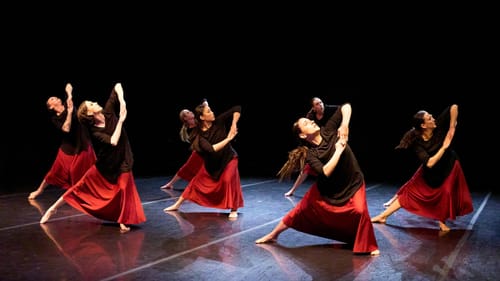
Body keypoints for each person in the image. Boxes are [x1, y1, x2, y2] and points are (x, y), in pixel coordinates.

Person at [256, 103, 380, 256]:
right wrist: (338, 151)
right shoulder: (311, 154)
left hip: (352, 181)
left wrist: (344, 124)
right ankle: (273, 235)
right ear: (302, 135)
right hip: (326, 189)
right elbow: (325, 172)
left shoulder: (328, 130)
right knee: (299, 212)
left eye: (310, 120)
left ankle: (365, 242)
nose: (312, 121)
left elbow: (345, 106)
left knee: (360, 210)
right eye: (306, 123)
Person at [40, 83, 146, 233]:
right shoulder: (95, 132)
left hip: (123, 160)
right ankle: (52, 209)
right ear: (90, 114)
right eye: (92, 104)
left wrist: (122, 101)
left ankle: (122, 220)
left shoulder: (108, 111)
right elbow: (114, 141)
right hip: (104, 165)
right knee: (79, 187)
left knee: (124, 188)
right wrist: (121, 120)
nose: (96, 103)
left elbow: (117, 86)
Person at [371, 104, 473, 232]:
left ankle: (441, 222)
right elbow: (429, 163)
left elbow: (454, 107)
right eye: (429, 118)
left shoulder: (438, 125)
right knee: (410, 193)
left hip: (449, 165)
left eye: (431, 117)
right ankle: (383, 216)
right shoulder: (417, 142)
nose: (433, 119)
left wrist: (452, 127)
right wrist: (444, 147)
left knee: (446, 192)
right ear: (424, 126)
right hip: (431, 168)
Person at [164, 102, 244, 219]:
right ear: (202, 117)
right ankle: (177, 205)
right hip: (211, 163)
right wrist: (229, 138)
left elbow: (237, 107)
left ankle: (234, 209)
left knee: (228, 180)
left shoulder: (219, 121)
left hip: (229, 158)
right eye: (209, 111)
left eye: (211, 110)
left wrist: (233, 124)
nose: (212, 113)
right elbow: (211, 150)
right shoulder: (198, 135)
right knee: (196, 182)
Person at [29, 83, 96, 200]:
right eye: (52, 99)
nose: (55, 97)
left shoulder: (67, 103)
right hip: (68, 149)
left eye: (54, 96)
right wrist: (69, 113)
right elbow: (66, 128)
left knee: (89, 170)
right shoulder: (55, 119)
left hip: (82, 144)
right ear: (51, 107)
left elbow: (69, 86)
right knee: (54, 172)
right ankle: (39, 190)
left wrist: (69, 94)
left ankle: (90, 192)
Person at [283, 97, 338, 196]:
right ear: (313, 108)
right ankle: (292, 190)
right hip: (317, 146)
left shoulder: (329, 110)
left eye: (321, 102)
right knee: (306, 169)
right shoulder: (310, 117)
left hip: (329, 143)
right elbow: (304, 131)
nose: (320, 105)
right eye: (317, 104)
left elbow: (342, 110)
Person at [160, 102, 207, 190]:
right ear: (185, 118)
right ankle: (170, 184)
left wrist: (205, 105)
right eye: (188, 113)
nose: (190, 112)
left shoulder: (197, 122)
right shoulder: (190, 128)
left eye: (189, 111)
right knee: (186, 168)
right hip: (200, 152)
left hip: (206, 150)